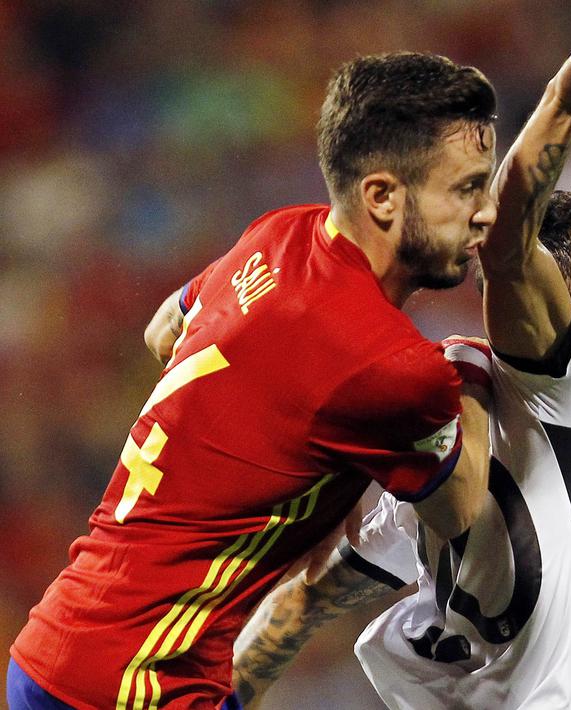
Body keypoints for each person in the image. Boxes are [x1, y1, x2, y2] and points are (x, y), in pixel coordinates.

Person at [8, 52, 502, 710]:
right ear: (381, 196)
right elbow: (458, 507)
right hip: (142, 686)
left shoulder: (281, 234)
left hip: (57, 649)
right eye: (465, 188)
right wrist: (468, 369)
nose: (485, 213)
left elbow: (163, 330)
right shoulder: (393, 367)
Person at [231, 41, 571, 709]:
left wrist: (228, 697)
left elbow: (302, 604)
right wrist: (565, 102)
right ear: (565, 309)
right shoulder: (567, 384)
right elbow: (507, 247)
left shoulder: (447, 445)